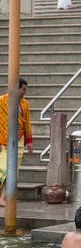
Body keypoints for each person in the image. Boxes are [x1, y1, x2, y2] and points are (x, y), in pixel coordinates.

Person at [0, 78, 33, 207]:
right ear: (16, 89)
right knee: (4, 169)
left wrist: (29, 141)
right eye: (23, 89)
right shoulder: (2, 101)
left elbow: (27, 123)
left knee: (13, 170)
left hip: (19, 139)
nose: (25, 92)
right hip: (3, 139)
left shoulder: (24, 104)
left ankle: (3, 197)